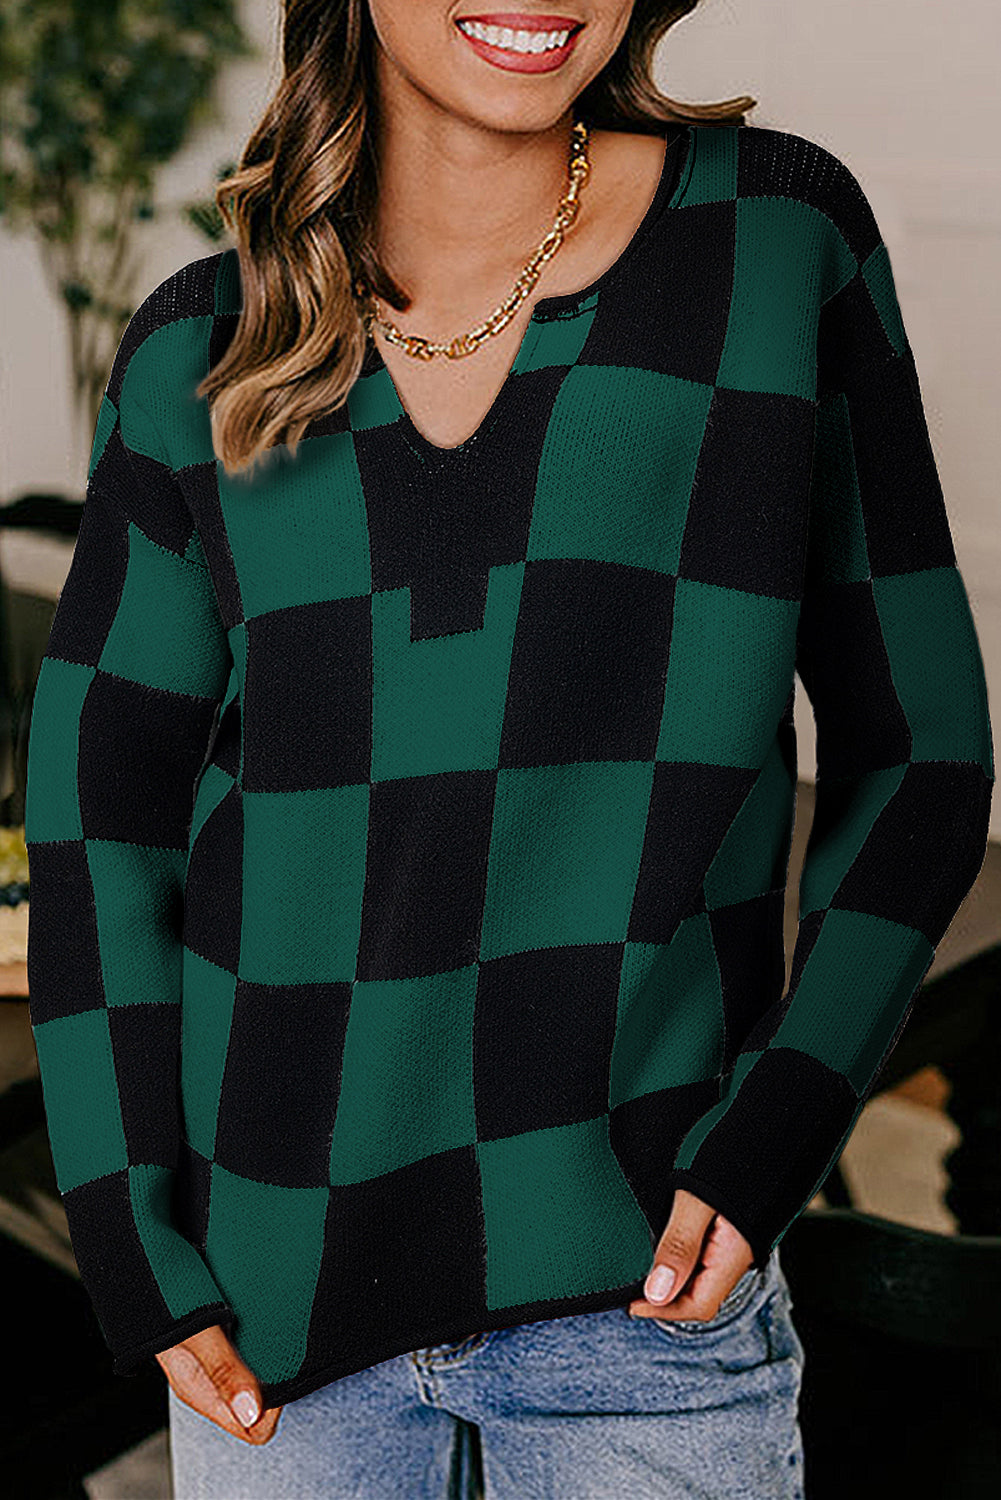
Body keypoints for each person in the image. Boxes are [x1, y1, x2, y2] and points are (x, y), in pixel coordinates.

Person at [23, 1, 994, 1496]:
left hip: (643, 1309)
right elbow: (103, 829)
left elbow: (921, 749)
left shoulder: (774, 243)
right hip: (275, 1322)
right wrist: (128, 1237)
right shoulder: (196, 350)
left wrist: (783, 1119)